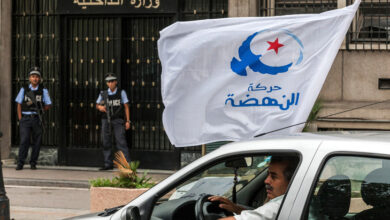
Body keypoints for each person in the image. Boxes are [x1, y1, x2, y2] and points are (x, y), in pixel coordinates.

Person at [209, 156, 299, 220]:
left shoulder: (280, 206)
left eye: (273, 176)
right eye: (268, 175)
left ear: (292, 181)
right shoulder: (296, 201)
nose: (266, 181)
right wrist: (236, 209)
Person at [15, 67, 52, 170]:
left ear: (39, 79)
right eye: (33, 76)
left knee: (37, 142)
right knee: (24, 140)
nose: (35, 79)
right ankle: (20, 162)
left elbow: (48, 104)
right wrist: (20, 118)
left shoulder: (43, 90)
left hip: (36, 118)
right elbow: (18, 104)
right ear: (29, 78)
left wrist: (41, 110)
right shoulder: (24, 89)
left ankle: (33, 163)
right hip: (25, 118)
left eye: (36, 77)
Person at [96, 73, 131, 170]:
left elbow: (126, 107)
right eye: (108, 82)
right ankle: (108, 164)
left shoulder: (121, 92)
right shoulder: (103, 93)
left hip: (118, 120)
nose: (110, 83)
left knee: (121, 142)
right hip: (106, 119)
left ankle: (126, 165)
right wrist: (100, 107)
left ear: (116, 82)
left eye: (112, 81)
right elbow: (97, 104)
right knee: (106, 141)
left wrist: (128, 121)